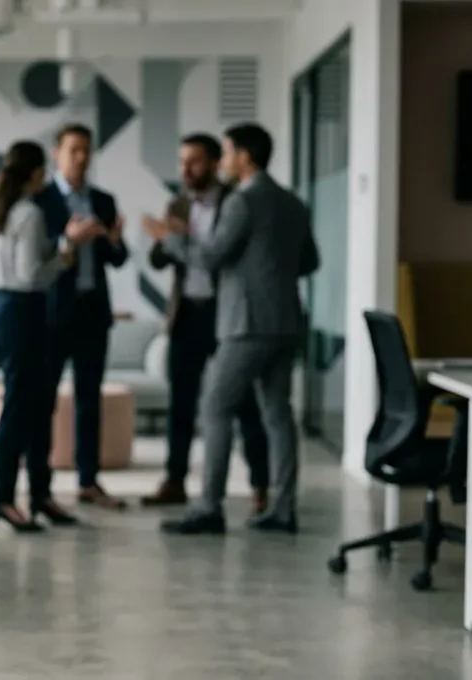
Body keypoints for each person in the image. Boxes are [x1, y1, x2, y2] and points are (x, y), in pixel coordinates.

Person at [144, 123, 319, 535]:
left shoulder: (241, 202)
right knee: (278, 413)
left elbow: (210, 258)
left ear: (245, 157)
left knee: (215, 407)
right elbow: (309, 262)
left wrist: (168, 238)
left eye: (226, 153)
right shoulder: (293, 203)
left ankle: (208, 508)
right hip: (287, 322)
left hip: (247, 324)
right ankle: (282, 508)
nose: (223, 161)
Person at [0, 140, 107, 533]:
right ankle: (4, 498)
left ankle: (38, 494)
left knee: (36, 404)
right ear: (38, 173)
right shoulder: (29, 214)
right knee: (23, 406)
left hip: (2, 310)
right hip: (24, 311)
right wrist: (65, 254)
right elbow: (31, 275)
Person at [141, 133, 270, 514]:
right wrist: (167, 239)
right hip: (187, 314)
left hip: (227, 313)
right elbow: (158, 260)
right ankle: (175, 480)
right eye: (182, 162)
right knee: (181, 402)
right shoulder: (178, 204)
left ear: (215, 163)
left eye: (194, 161)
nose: (185, 169)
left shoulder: (237, 202)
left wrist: (188, 240)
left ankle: (260, 485)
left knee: (245, 402)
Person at [33, 123, 131, 510]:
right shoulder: (41, 201)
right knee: (46, 401)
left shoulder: (103, 201)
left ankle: (88, 481)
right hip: (54, 314)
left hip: (93, 312)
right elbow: (36, 255)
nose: (81, 157)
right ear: (57, 153)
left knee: (90, 401)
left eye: (87, 150)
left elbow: (118, 260)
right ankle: (41, 484)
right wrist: (67, 241)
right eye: (73, 149)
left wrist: (114, 241)